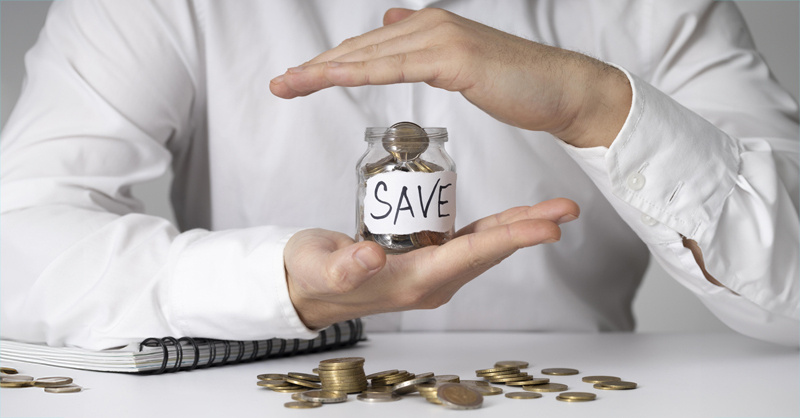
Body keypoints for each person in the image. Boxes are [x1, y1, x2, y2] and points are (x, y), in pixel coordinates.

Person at [1, 0, 797, 350]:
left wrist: (594, 103)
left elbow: (790, 306)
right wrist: (271, 284)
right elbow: (17, 243)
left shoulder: (656, 6)